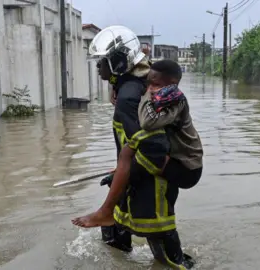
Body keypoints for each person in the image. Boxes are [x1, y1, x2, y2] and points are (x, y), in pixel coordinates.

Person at [72, 25, 194, 269]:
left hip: (152, 180)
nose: (98, 67)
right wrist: (120, 172)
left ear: (118, 62)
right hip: (140, 174)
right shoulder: (133, 85)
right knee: (115, 237)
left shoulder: (129, 96)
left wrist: (126, 174)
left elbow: (154, 149)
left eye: (102, 62)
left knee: (166, 254)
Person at [139, 59, 203, 190]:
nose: (150, 88)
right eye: (148, 83)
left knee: (147, 153)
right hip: (174, 158)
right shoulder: (161, 97)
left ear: (172, 84)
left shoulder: (175, 100)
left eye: (155, 84)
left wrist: (146, 95)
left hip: (187, 167)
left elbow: (147, 122)